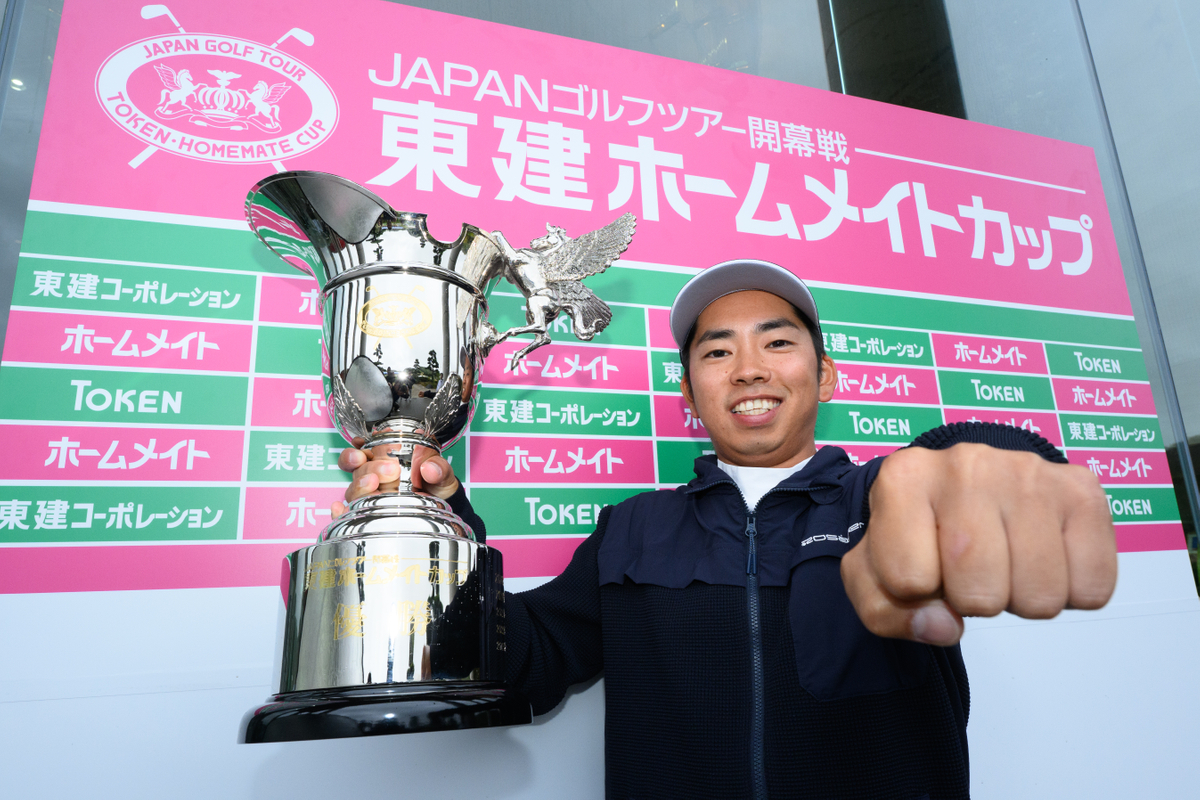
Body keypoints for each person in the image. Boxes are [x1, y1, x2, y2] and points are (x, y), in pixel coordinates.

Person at [334, 260, 1116, 799]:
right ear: (690, 390)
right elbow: (526, 667)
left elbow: (958, 472)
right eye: (718, 350)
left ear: (827, 374)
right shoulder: (631, 530)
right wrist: (440, 528)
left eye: (778, 341)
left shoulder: (882, 495)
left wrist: (991, 461)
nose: (749, 368)